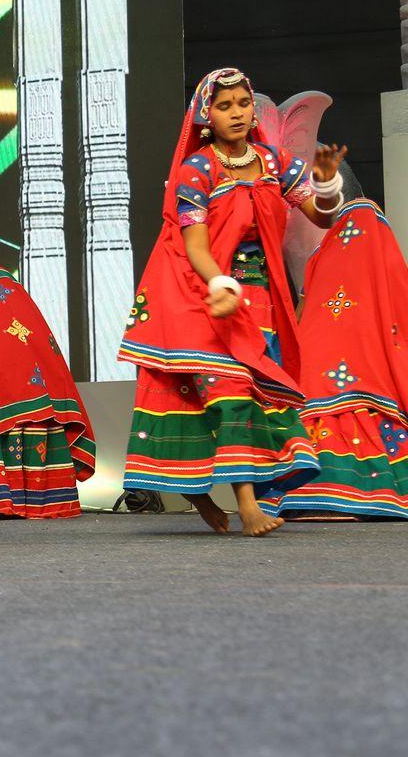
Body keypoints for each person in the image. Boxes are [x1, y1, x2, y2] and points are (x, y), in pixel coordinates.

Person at [118, 67, 344, 535]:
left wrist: (326, 183)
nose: (238, 112)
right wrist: (219, 284)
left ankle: (222, 496)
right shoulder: (197, 169)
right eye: (225, 106)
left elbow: (324, 218)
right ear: (207, 116)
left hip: (259, 300)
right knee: (229, 394)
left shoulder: (275, 160)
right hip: (202, 293)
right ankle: (246, 505)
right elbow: (194, 245)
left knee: (259, 395)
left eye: (243, 102)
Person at [271, 197, 408, 519]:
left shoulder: (321, 255)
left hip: (319, 366)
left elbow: (302, 316)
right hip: (368, 364)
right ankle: (364, 495)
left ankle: (312, 495)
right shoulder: (380, 247)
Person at [0, 266, 95, 518]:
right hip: (39, 402)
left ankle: (1, 504)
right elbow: (52, 360)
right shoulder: (27, 308)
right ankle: (49, 505)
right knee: (43, 437)